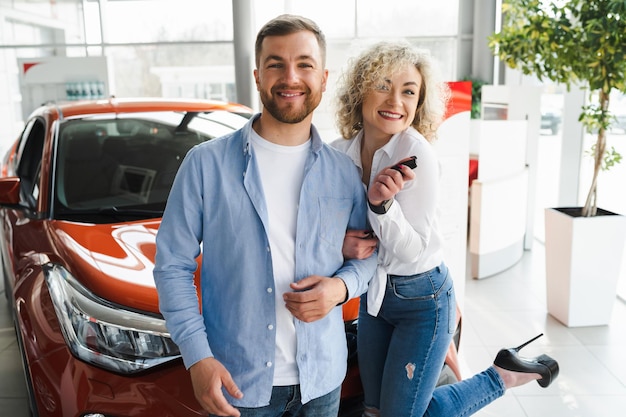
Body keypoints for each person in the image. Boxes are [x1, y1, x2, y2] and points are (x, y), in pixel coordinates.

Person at [153, 14, 377, 417]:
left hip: (322, 381)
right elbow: (172, 266)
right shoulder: (205, 165)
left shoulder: (345, 173)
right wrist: (197, 358)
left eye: (304, 64)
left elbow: (369, 254)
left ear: (323, 78)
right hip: (238, 383)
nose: (290, 77)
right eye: (276, 64)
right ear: (257, 76)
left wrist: (340, 289)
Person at [333, 41, 559, 417]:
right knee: (374, 411)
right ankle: (507, 370)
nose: (396, 100)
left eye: (409, 91)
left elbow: (412, 250)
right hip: (374, 298)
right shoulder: (341, 153)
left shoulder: (417, 154)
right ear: (360, 90)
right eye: (383, 85)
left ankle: (500, 376)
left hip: (421, 299)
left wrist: (382, 206)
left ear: (419, 104)